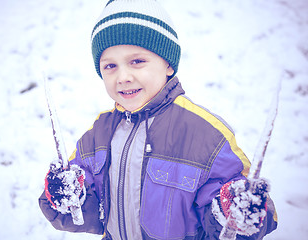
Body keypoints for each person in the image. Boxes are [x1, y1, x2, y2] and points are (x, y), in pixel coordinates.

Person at [38, 0, 278, 239]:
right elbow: (86, 215)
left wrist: (233, 212)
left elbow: (254, 217)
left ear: (168, 65)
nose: (123, 76)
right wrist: (68, 197)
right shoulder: (98, 133)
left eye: (137, 61)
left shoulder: (206, 134)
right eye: (110, 66)